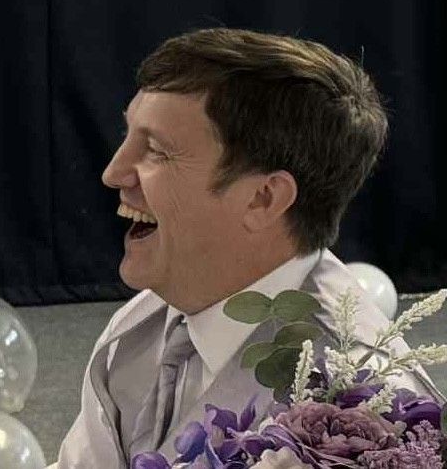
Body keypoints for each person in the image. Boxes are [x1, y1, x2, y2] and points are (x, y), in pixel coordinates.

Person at [52, 27, 435, 469]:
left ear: (263, 198)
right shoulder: (144, 323)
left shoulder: (362, 418)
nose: (114, 172)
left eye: (156, 151)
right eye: (128, 137)